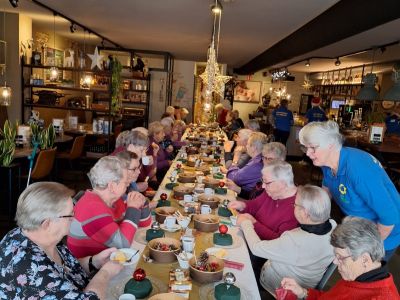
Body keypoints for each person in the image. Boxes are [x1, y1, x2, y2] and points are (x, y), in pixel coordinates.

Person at [0, 182, 123, 299]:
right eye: (70, 215)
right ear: (47, 223)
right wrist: (106, 272)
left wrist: (94, 262)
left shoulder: (37, 235)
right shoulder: (28, 268)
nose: (74, 219)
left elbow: (61, 269)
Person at [299, 120, 400, 261]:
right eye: (305, 148)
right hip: (357, 226)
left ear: (331, 145)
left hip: (383, 232)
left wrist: (367, 250)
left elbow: (390, 218)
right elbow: (326, 189)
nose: (308, 153)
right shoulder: (327, 161)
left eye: (312, 148)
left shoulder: (358, 171)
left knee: (364, 276)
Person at [239, 185, 336, 296]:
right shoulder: (333, 226)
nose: (293, 206)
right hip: (305, 284)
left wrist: (246, 223)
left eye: (295, 204)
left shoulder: (295, 241)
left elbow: (256, 248)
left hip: (273, 287)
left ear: (305, 213)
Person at [282, 217, 400, 300]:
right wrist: (302, 292)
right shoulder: (356, 275)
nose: (335, 261)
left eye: (340, 257)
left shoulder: (382, 296)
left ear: (364, 259)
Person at [68, 156, 150, 258]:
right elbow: (123, 244)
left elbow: (144, 223)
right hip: (92, 270)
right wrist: (133, 208)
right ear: (112, 186)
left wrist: (142, 201)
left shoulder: (114, 200)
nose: (128, 184)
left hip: (112, 259)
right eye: (125, 181)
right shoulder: (92, 207)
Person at [228, 160, 299, 240]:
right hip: (250, 236)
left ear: (282, 183)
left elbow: (279, 242)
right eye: (263, 181)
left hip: (261, 248)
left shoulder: (298, 208)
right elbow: (256, 204)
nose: (263, 186)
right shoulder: (272, 192)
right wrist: (243, 205)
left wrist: (252, 223)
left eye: (266, 182)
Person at [226, 132, 267, 199]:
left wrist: (235, 159)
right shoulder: (260, 158)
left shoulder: (256, 163)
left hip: (247, 200)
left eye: (248, 144)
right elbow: (241, 173)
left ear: (254, 148)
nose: (246, 146)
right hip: (247, 195)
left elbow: (233, 178)